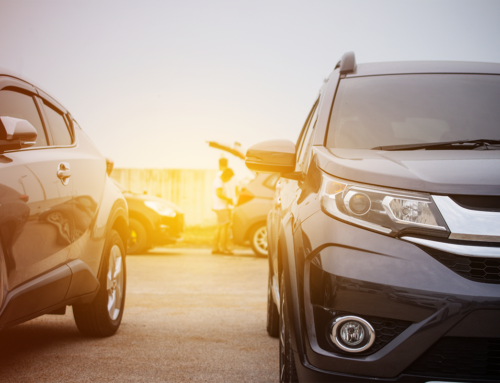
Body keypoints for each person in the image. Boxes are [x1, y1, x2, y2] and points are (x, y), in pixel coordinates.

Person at [212, 167, 235, 255]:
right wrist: (228, 199)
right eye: (229, 178)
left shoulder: (217, 180)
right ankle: (224, 248)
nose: (229, 180)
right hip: (221, 207)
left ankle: (215, 248)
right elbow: (219, 194)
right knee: (224, 228)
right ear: (227, 176)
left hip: (219, 207)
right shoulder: (219, 181)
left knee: (219, 228)